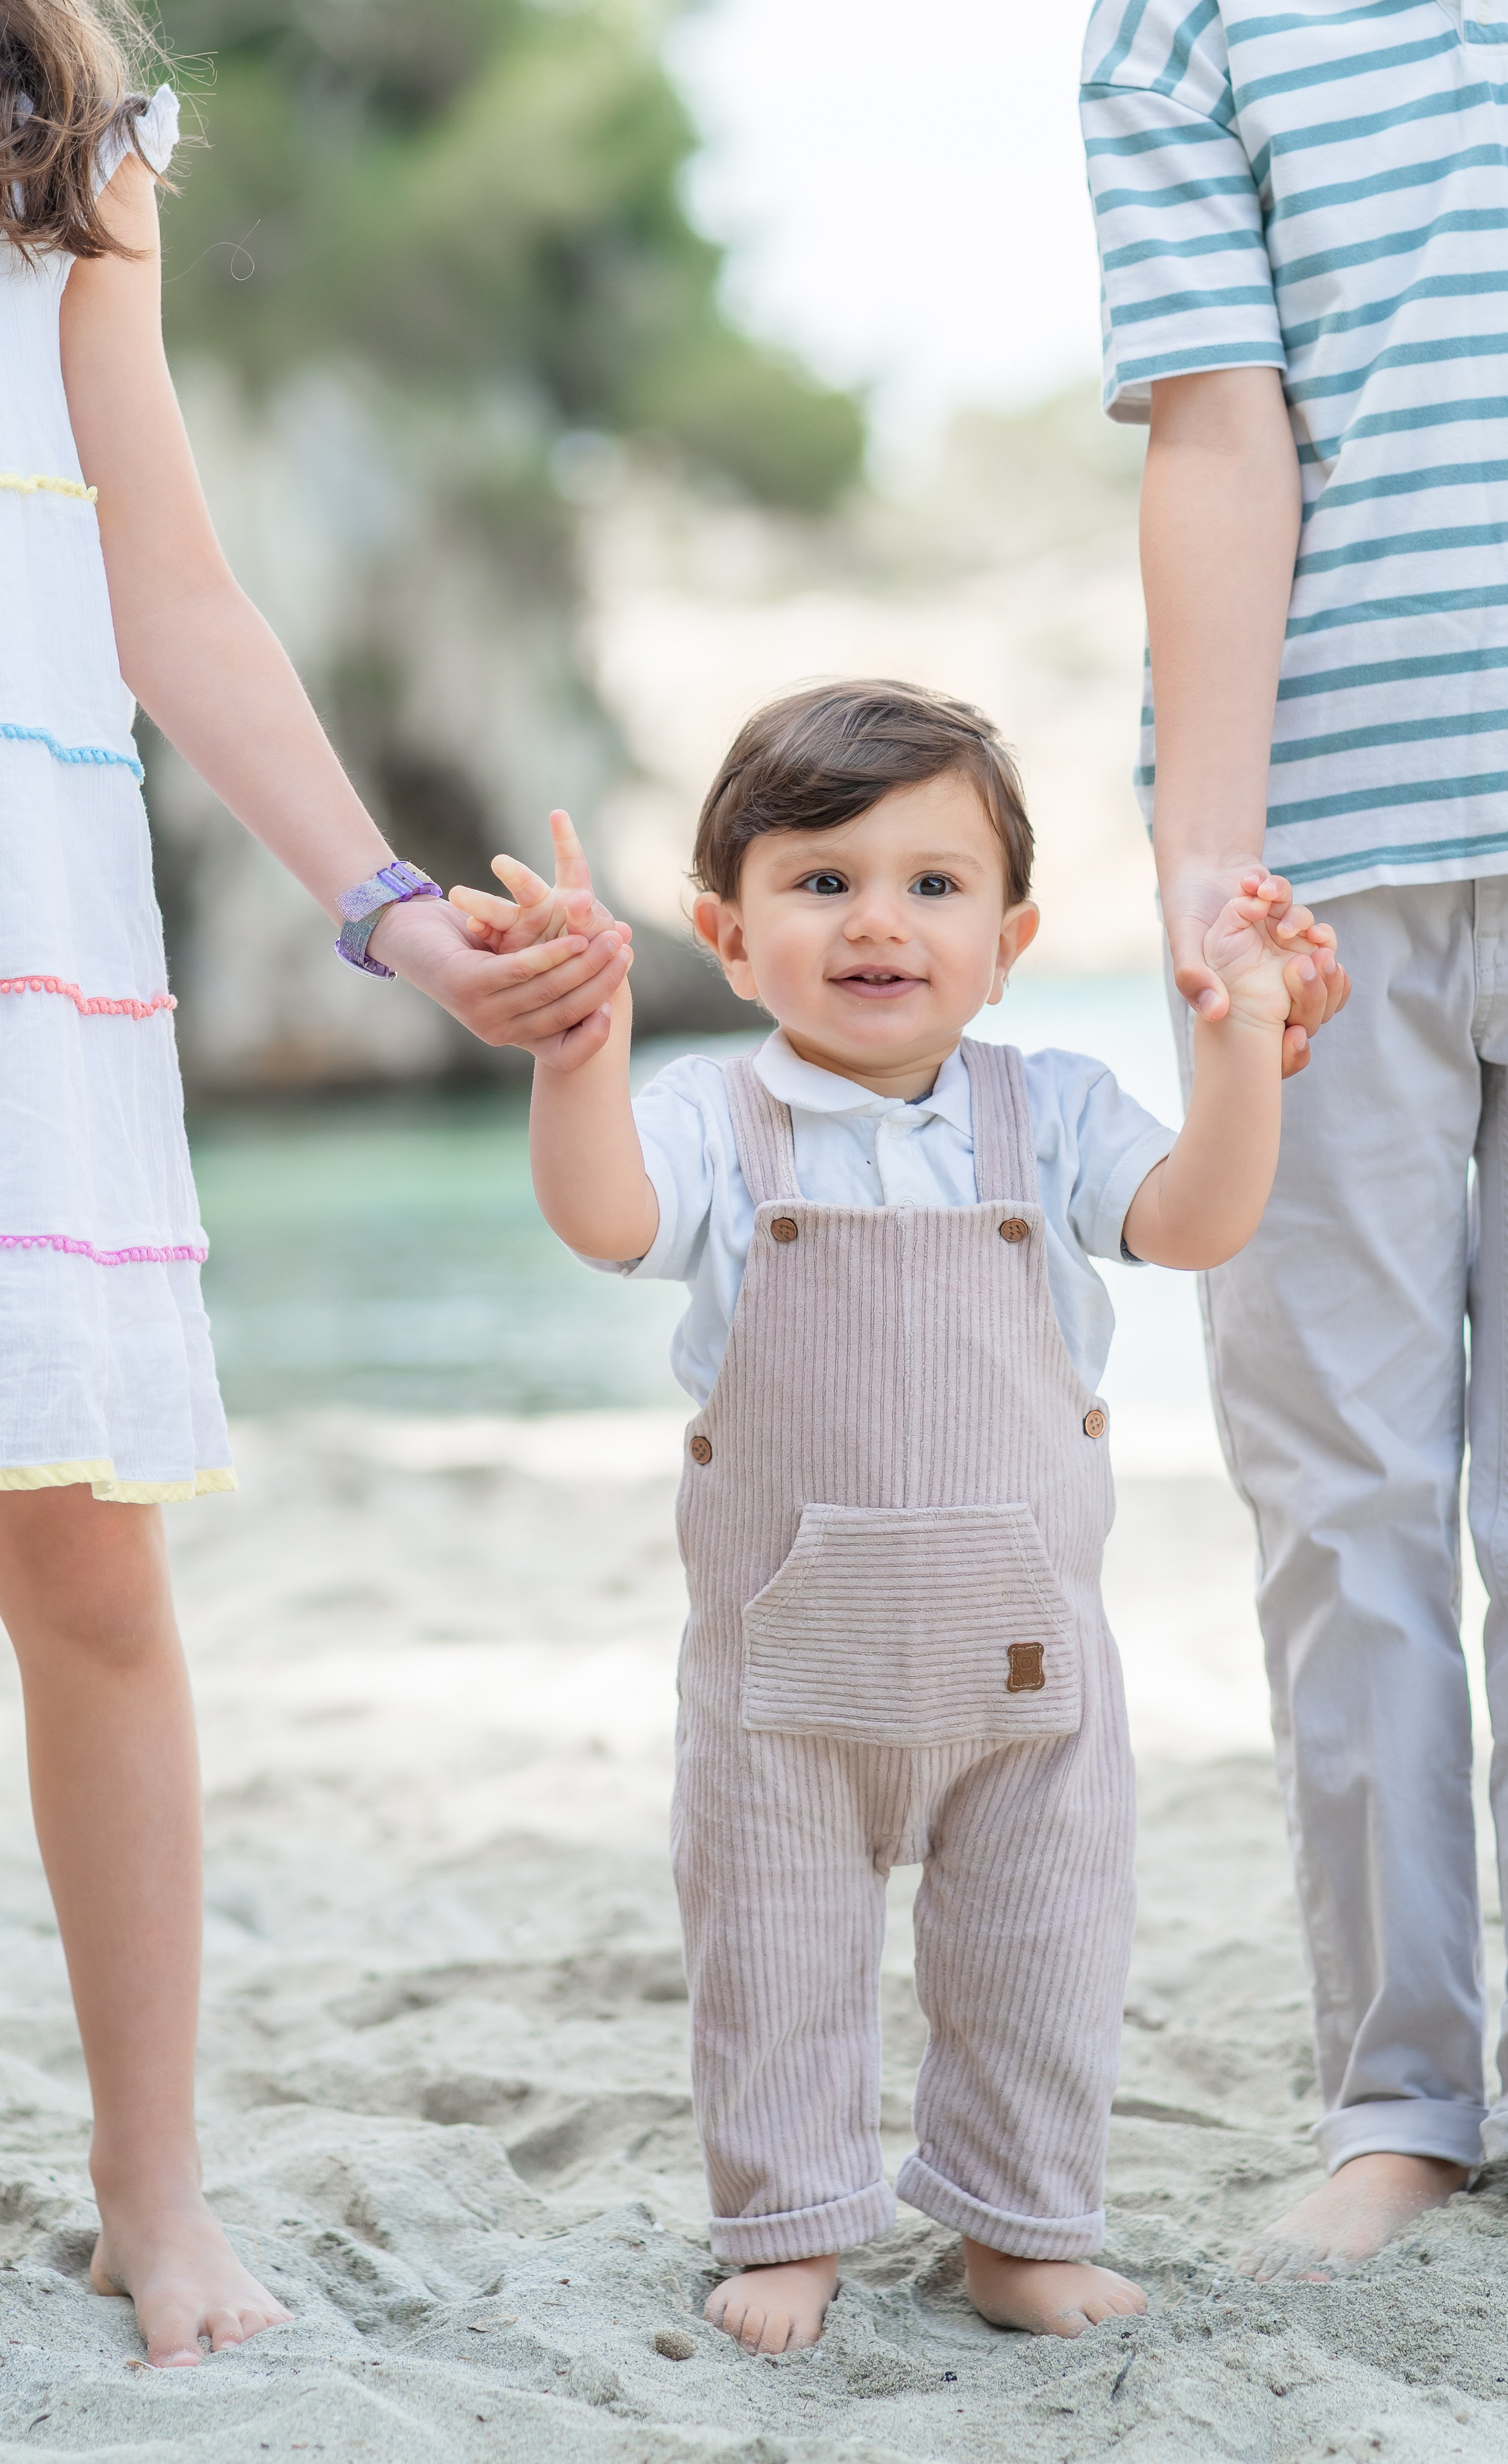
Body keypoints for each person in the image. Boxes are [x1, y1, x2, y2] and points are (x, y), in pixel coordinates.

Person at [0, 3, 632, 2368]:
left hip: (26, 912)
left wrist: (386, 913)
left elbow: (167, 591)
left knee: (81, 1548)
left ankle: (153, 2195)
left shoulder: (67, 111)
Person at [452, 679, 1336, 2352]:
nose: (879, 922)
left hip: (1026, 1676)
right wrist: (580, 1052)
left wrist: (1240, 1042)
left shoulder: (1052, 1108)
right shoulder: (713, 1121)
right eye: (820, 881)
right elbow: (604, 1221)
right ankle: (788, 2224)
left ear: (1012, 936)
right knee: (774, 1958)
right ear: (725, 933)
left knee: (1038, 1957)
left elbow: (1199, 1223)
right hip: (783, 1682)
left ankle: (1020, 2230)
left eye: (934, 887)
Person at [1080, 0, 1508, 2288]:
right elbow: (1221, 430)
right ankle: (1400, 2096)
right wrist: (1210, 883)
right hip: (1323, 878)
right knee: (1342, 1507)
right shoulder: (1181, 26)